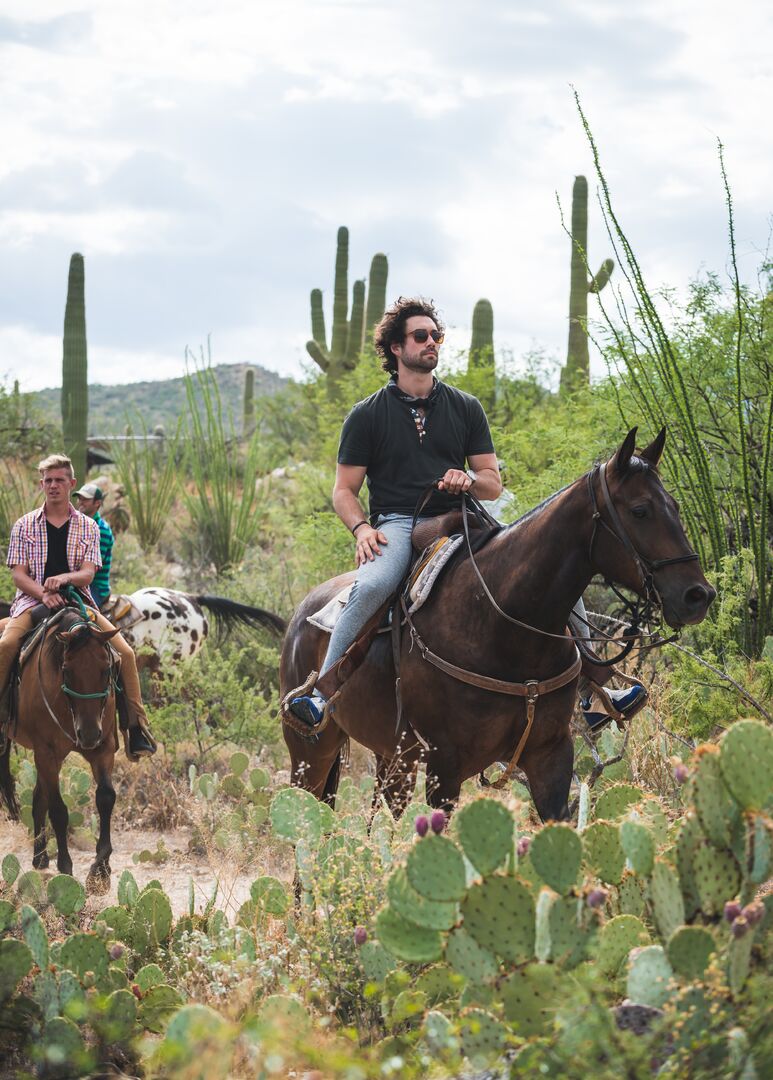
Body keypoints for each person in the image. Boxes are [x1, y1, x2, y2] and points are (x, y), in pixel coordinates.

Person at [288, 297, 645, 731]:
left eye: (436, 335)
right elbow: (344, 490)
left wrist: (469, 481)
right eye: (421, 336)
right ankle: (321, 694)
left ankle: (596, 693)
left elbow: (492, 482)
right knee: (373, 584)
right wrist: (362, 529)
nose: (432, 342)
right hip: (399, 523)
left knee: (549, 569)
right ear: (397, 349)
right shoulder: (367, 415)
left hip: (463, 517)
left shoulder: (465, 407)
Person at [0, 454, 156, 759]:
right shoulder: (24, 525)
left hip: (78, 601)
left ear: (71, 484)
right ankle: (3, 717)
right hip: (33, 601)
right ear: (41, 484)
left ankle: (136, 728)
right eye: (48, 480)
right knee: (6, 645)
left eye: (60, 480)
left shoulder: (87, 526)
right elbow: (19, 575)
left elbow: (88, 572)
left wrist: (63, 579)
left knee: (124, 653)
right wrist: (43, 594)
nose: (53, 486)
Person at [74, 482, 113, 609]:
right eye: (79, 498)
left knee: (78, 615)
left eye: (85, 499)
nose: (80, 502)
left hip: (94, 586)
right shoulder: (76, 524)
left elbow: (93, 568)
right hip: (77, 582)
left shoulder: (102, 529)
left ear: (97, 503)